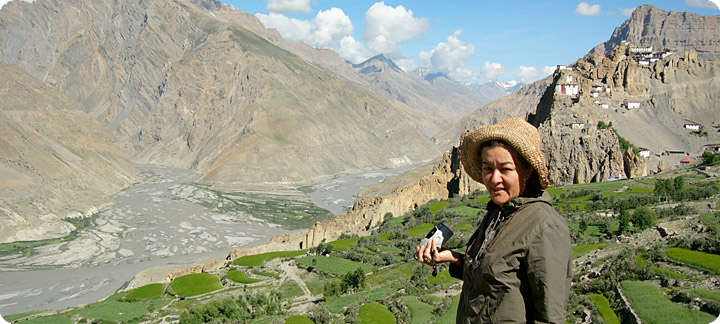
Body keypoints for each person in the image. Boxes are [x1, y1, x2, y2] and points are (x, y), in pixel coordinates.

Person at [416, 118, 572, 324]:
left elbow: (550, 317)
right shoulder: (498, 214)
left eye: (505, 169)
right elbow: (493, 278)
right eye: (488, 168)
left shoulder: (544, 225)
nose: (494, 179)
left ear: (527, 171)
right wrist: (454, 259)